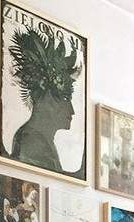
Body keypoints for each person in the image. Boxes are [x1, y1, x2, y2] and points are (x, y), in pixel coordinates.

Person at [8, 25, 84, 176]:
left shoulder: (41, 139)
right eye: (64, 98)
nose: (72, 110)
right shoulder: (32, 141)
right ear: (45, 99)